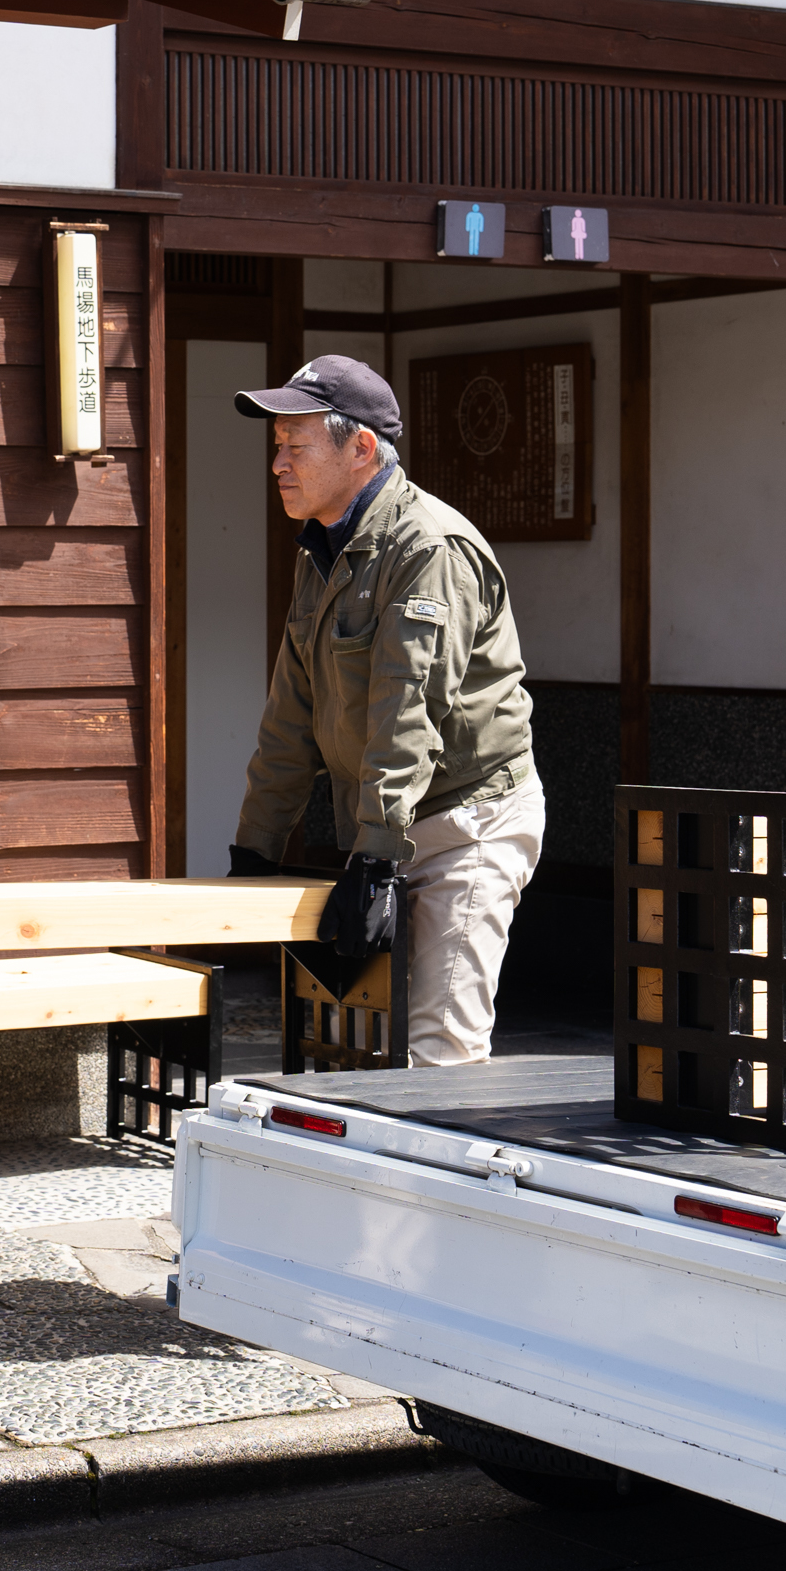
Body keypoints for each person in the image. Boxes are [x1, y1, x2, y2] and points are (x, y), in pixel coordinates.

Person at [226, 354, 543, 1065]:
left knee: (441, 1043)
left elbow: (411, 709)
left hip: (470, 822)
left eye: (296, 445)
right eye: (277, 446)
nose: (279, 463)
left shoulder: (429, 547)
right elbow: (290, 715)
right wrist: (255, 849)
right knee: (351, 1046)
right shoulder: (323, 551)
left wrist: (371, 856)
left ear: (360, 447)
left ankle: (448, 1174)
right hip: (388, 823)